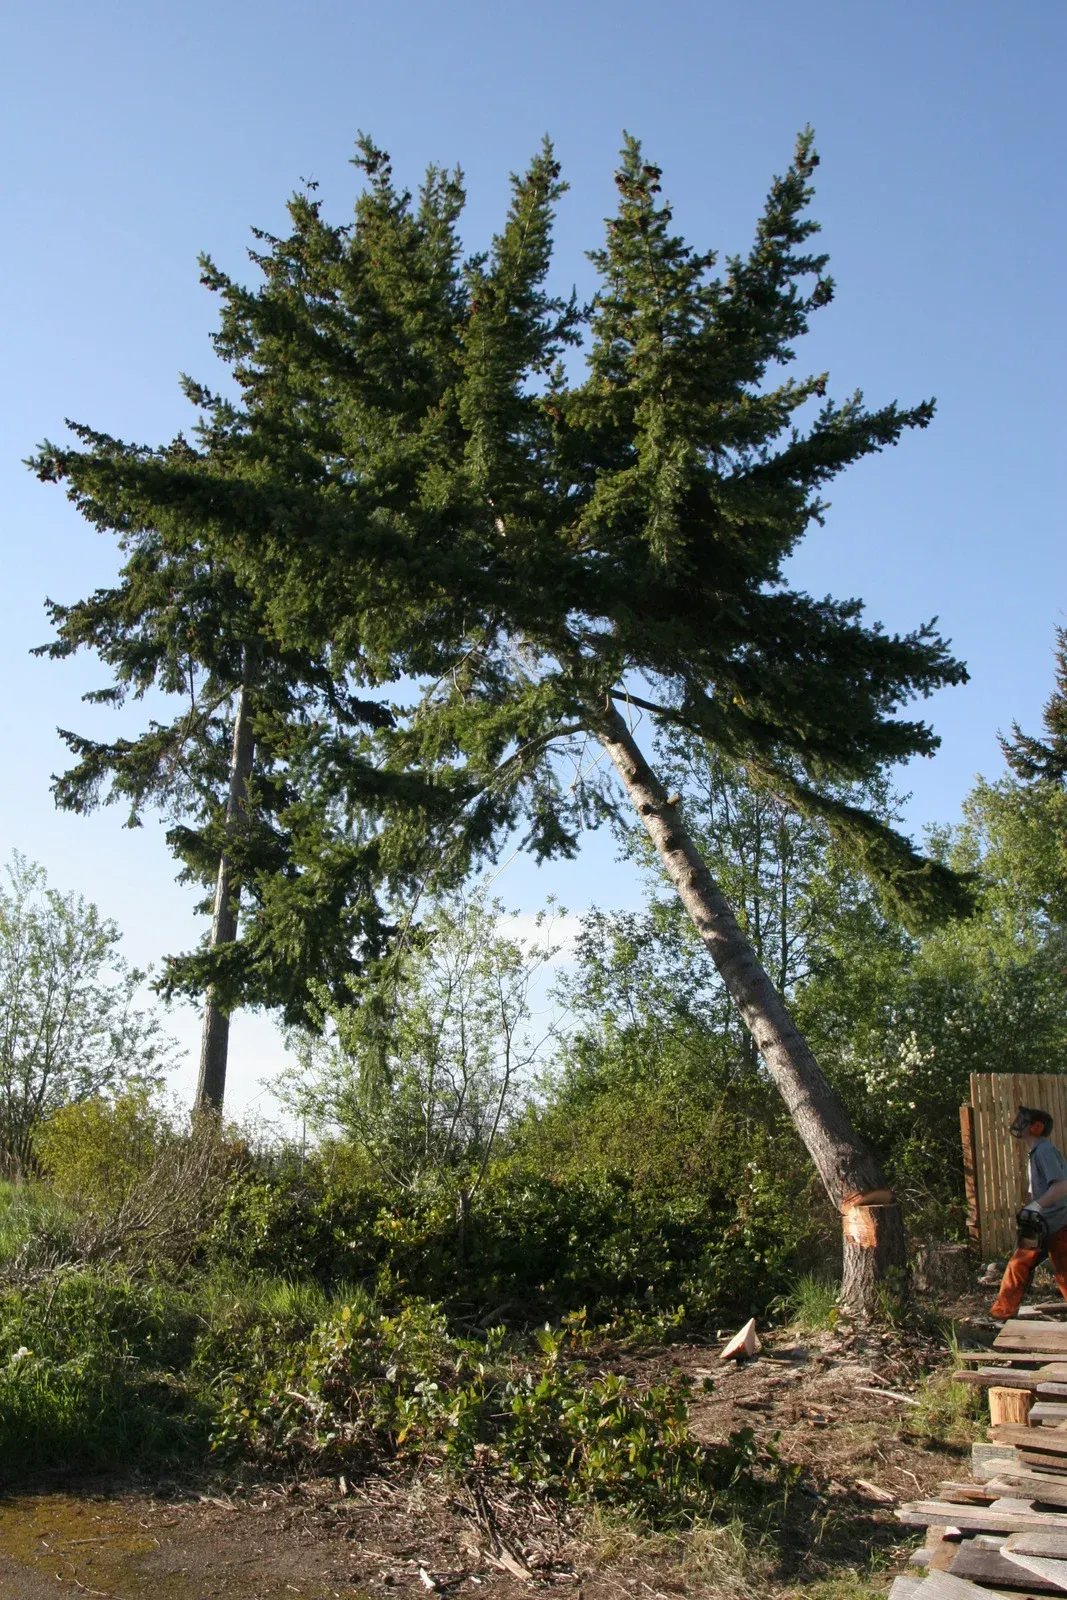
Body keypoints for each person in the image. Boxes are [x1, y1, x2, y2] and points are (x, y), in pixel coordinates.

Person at [990, 1106, 1067, 1320]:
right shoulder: (1037, 1151)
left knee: (1020, 1263)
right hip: (1046, 1221)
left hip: (1056, 1221)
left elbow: (1061, 1186)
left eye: (1023, 1120)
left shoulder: (1044, 1150)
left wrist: (1035, 1207)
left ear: (1036, 1127)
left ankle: (1001, 1314)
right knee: (1056, 1268)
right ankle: (1002, 1313)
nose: (1018, 1122)